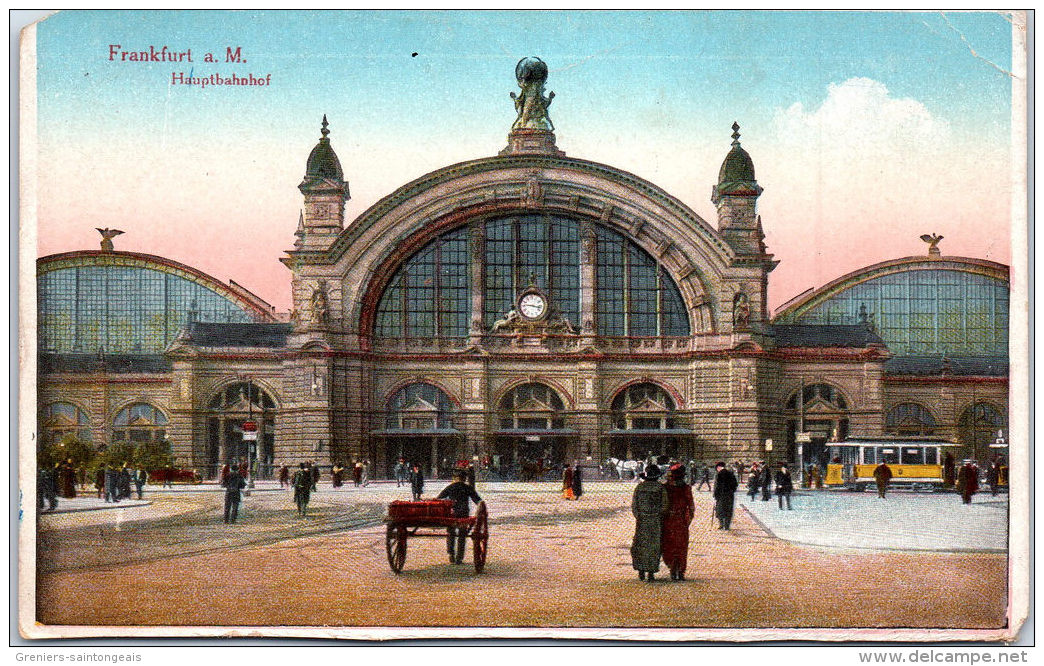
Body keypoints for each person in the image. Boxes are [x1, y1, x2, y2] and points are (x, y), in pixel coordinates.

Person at [631, 464, 669, 581]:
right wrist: (658, 516)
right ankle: (651, 572)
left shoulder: (639, 487)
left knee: (640, 544)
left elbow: (634, 505)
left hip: (642, 520)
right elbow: (665, 505)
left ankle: (641, 570)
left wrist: (639, 516)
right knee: (654, 546)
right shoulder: (660, 488)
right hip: (655, 521)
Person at [436, 470, 483, 564]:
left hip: (452, 513)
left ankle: (451, 554)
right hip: (463, 514)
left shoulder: (450, 487)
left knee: (451, 533)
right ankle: (459, 558)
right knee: (462, 535)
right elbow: (478, 501)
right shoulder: (467, 487)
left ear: (454, 478)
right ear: (464, 478)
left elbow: (439, 498)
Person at [661, 465, 694, 581]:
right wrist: (687, 521)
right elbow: (691, 508)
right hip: (680, 521)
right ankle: (679, 571)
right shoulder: (686, 488)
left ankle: (674, 569)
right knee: (681, 547)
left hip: (669, 520)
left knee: (669, 546)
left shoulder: (665, 487)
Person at [713, 461, 738, 530]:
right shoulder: (730, 473)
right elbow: (735, 484)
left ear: (718, 467)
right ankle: (727, 526)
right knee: (728, 510)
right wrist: (731, 491)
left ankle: (721, 525)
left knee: (720, 510)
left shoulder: (719, 474)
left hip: (721, 495)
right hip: (729, 495)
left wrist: (715, 495)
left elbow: (717, 486)